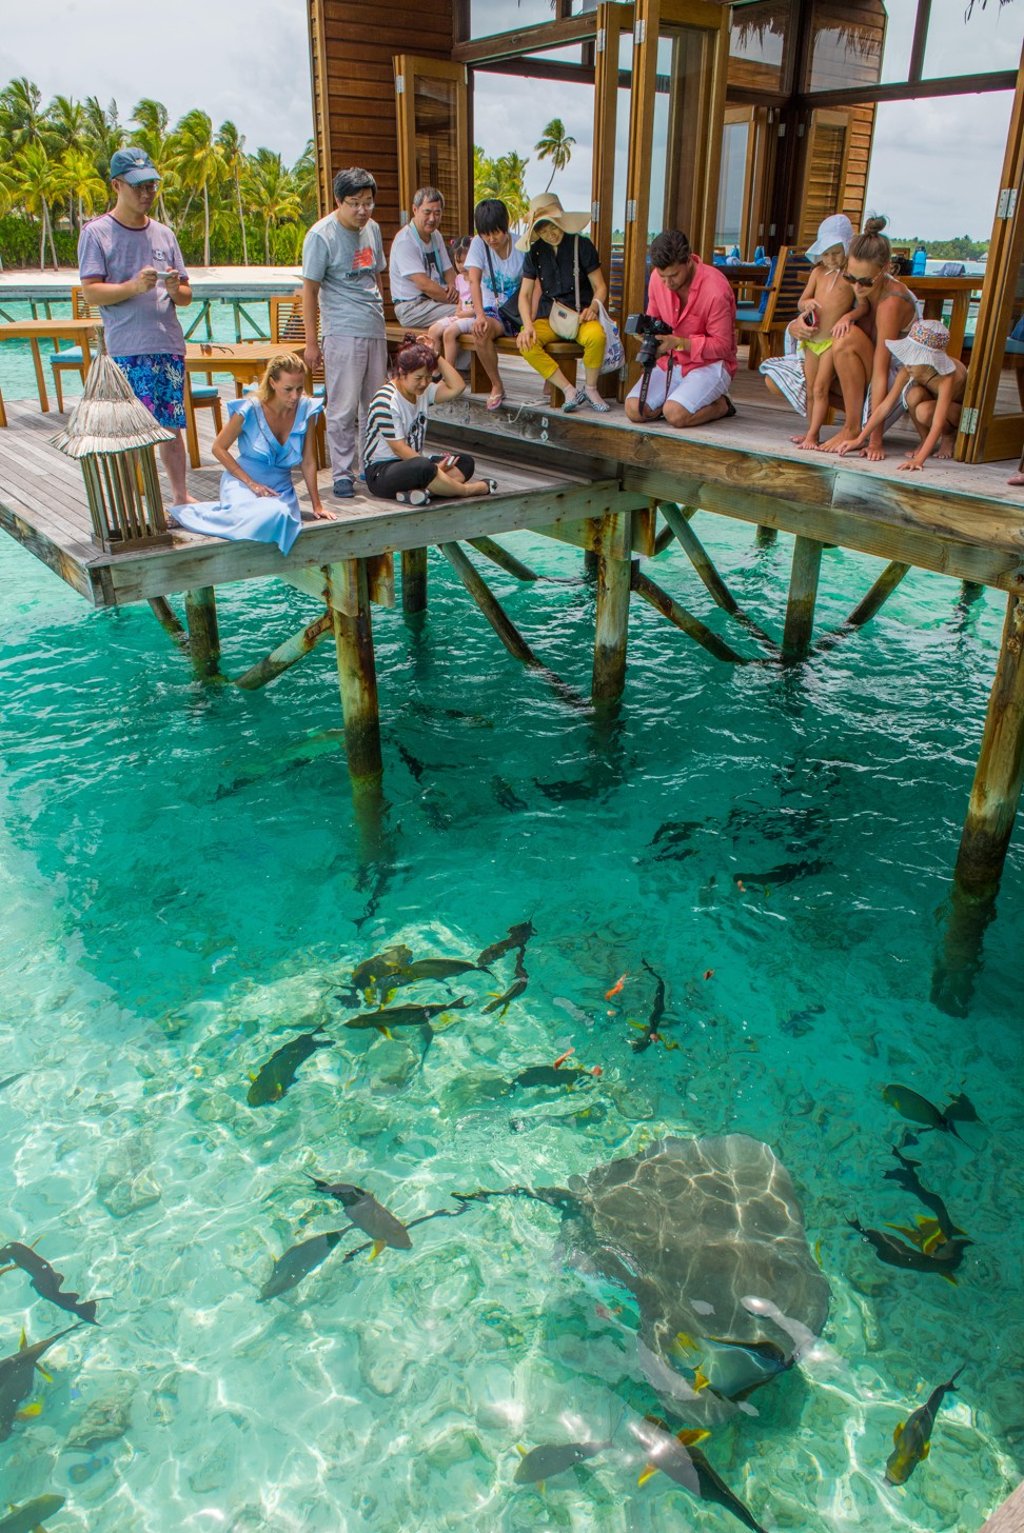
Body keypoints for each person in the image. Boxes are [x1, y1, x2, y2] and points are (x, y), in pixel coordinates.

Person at [78, 147, 193, 505]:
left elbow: (187, 295)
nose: (147, 194)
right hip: (128, 349)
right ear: (117, 185)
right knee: (131, 434)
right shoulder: (97, 233)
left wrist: (176, 290)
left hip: (168, 345)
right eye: (139, 187)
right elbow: (91, 292)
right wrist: (133, 287)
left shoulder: (164, 234)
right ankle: (135, 505)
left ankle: (181, 497)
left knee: (172, 429)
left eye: (152, 186)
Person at [169, 353, 335, 553]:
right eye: (288, 389)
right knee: (251, 514)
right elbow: (218, 448)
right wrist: (251, 483)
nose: (295, 396)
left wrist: (317, 505)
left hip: (279, 488)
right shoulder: (250, 408)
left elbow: (308, 461)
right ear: (273, 383)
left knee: (279, 514)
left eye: (299, 388)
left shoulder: (307, 408)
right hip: (242, 482)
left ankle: (201, 515)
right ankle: (188, 513)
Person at [301, 166, 387, 502]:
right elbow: (309, 290)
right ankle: (342, 474)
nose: (363, 210)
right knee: (342, 406)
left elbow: (375, 278)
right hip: (342, 330)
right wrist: (311, 342)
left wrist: (384, 320)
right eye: (355, 203)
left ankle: (372, 465)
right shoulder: (322, 235)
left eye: (368, 202)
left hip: (373, 327)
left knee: (375, 404)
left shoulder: (374, 229)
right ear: (339, 201)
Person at [818, 216, 918, 459]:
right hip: (867, 369)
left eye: (864, 281)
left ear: (885, 269)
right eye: (851, 278)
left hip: (897, 381)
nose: (857, 288)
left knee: (845, 340)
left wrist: (875, 441)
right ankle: (852, 424)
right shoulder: (862, 288)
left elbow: (881, 370)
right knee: (811, 380)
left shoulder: (891, 303)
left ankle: (854, 428)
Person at [624, 229, 737, 429]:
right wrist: (647, 336)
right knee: (634, 409)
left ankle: (722, 406)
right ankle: (677, 400)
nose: (667, 283)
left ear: (688, 261)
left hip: (710, 364)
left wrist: (680, 343)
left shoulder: (715, 290)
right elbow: (654, 320)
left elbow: (723, 347)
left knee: (675, 415)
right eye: (662, 276)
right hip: (671, 362)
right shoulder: (658, 280)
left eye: (674, 275)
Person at [364, 334, 495, 506]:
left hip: (415, 463)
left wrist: (435, 355)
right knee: (423, 468)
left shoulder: (423, 392)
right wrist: (435, 470)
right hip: (381, 472)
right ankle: (467, 490)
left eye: (428, 377)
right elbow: (400, 449)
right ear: (402, 373)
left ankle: (420, 492)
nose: (424, 383)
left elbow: (458, 387)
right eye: (418, 378)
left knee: (465, 462)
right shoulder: (386, 400)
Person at [515, 193, 610, 414]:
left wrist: (593, 308)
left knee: (596, 337)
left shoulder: (581, 245)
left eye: (553, 228)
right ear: (536, 232)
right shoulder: (535, 253)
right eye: (543, 231)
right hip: (550, 317)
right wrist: (527, 325)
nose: (550, 235)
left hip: (581, 315)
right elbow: (524, 295)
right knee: (526, 342)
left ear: (561, 221)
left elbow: (601, 287)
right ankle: (569, 390)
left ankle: (591, 388)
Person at [835, 319, 967, 471]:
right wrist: (859, 439)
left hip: (956, 412)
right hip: (931, 403)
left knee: (924, 411)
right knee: (913, 394)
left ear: (929, 361)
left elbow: (937, 422)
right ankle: (925, 440)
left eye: (914, 358)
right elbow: (885, 406)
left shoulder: (947, 377)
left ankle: (949, 436)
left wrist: (919, 460)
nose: (907, 363)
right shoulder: (908, 369)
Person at [788, 215, 869, 452]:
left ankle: (813, 435)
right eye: (826, 253)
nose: (831, 258)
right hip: (812, 340)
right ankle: (811, 432)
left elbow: (863, 306)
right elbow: (801, 301)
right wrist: (807, 304)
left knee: (821, 388)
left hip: (830, 343)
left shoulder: (850, 276)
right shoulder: (817, 273)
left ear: (846, 249)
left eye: (836, 253)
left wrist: (847, 317)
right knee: (812, 389)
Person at [464, 199, 527, 410]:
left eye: (496, 233)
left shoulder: (522, 246)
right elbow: (473, 279)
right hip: (495, 311)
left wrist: (529, 322)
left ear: (506, 226)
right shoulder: (478, 244)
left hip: (521, 310)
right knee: (480, 331)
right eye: (486, 233)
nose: (491, 238)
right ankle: (497, 384)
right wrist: (480, 315)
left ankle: (551, 381)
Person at [388, 188, 459, 331]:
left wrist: (454, 286)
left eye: (437, 213)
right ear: (415, 209)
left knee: (464, 314)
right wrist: (458, 300)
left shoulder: (436, 235)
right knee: (464, 313)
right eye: (427, 212)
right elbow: (424, 285)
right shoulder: (405, 240)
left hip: (434, 303)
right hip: (411, 307)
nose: (432, 218)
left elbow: (449, 270)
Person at [429, 237, 475, 368]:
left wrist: (462, 315)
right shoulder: (459, 278)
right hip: (461, 315)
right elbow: (460, 301)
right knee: (433, 331)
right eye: (458, 261)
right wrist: (458, 312)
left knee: (449, 333)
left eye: (466, 262)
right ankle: (435, 371)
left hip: (473, 317)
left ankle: (450, 371)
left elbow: (479, 308)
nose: (462, 266)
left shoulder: (479, 278)